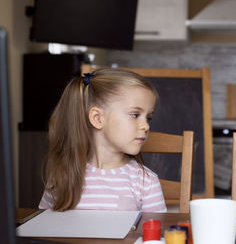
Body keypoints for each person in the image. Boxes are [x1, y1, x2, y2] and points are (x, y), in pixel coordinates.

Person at [39, 68, 167, 212]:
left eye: (148, 118)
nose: (146, 126)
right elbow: (43, 223)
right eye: (135, 115)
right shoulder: (62, 175)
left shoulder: (146, 182)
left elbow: (155, 232)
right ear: (98, 118)